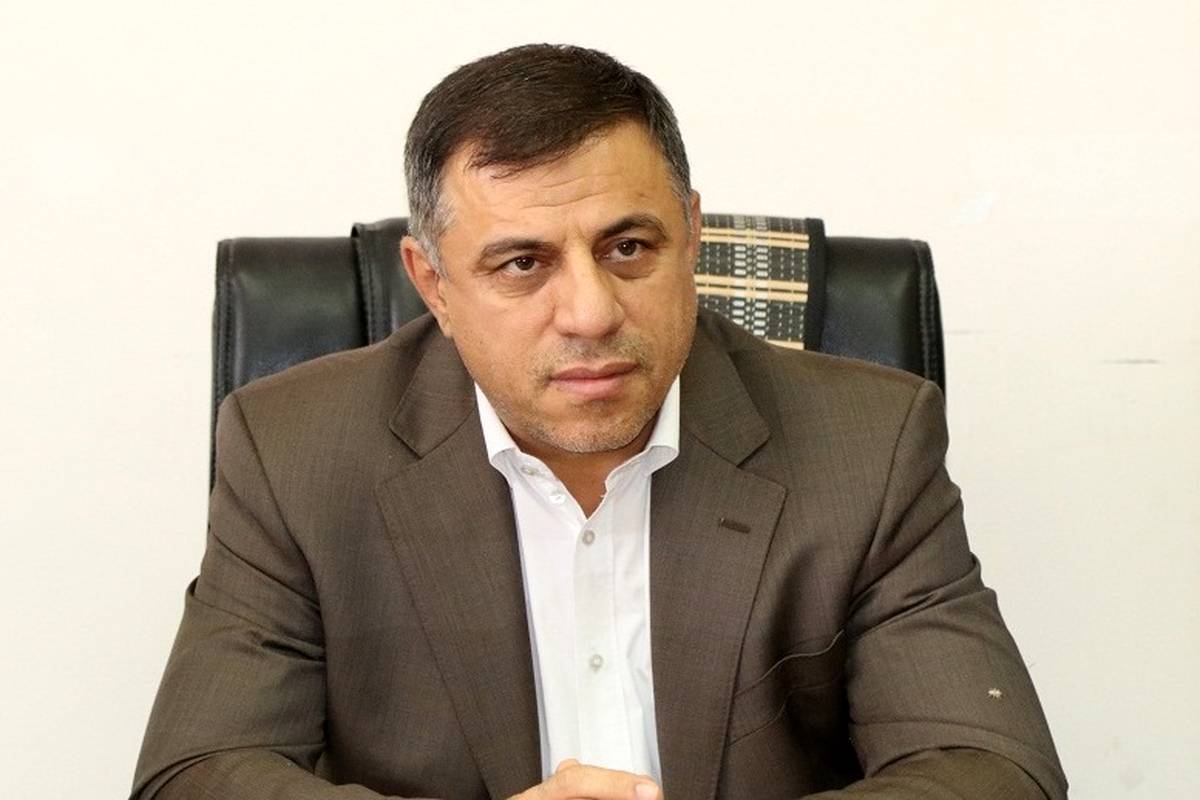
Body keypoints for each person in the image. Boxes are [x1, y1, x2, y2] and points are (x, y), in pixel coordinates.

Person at [132, 44, 1067, 799]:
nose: (589, 313)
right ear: (433, 286)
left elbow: (991, 771)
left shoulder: (871, 442)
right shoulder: (291, 449)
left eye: (628, 248)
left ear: (690, 236)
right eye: (522, 264)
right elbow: (198, 774)